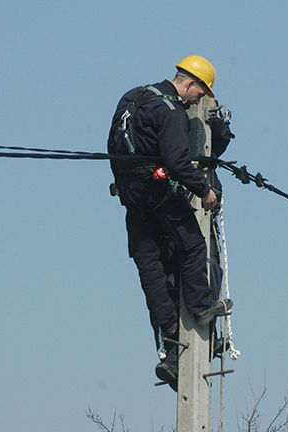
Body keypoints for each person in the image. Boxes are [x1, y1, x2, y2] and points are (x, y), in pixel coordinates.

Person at [107, 55, 233, 386]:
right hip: (159, 194)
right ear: (190, 83)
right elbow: (177, 161)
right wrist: (203, 191)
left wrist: (124, 184)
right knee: (193, 246)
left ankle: (170, 339)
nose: (199, 101)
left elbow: (112, 145)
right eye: (200, 93)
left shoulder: (133, 96)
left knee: (151, 270)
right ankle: (202, 306)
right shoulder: (171, 111)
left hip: (131, 197)